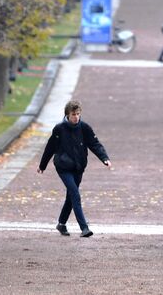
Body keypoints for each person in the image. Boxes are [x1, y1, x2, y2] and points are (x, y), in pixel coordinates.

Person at [37, 100, 111, 238]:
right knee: (75, 194)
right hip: (63, 167)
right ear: (67, 115)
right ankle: (84, 228)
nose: (76, 117)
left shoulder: (84, 128)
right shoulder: (59, 129)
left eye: (78, 114)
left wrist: (104, 158)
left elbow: (94, 144)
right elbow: (50, 148)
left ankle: (61, 223)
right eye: (73, 114)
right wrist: (42, 165)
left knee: (71, 197)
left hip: (78, 167)